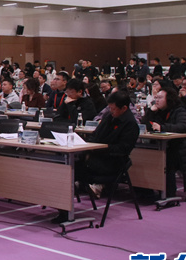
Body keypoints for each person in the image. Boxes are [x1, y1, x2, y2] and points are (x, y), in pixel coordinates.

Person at [51, 91, 139, 224]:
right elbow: (95, 136)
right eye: (110, 108)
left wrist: (98, 149)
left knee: (69, 171)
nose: (110, 111)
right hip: (94, 157)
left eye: (113, 109)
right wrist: (87, 146)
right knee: (63, 168)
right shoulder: (109, 117)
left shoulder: (131, 125)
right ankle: (63, 209)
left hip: (111, 164)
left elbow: (122, 150)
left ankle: (65, 212)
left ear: (124, 108)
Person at [142, 87, 186, 198]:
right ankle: (145, 190)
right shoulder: (158, 111)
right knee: (144, 157)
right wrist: (150, 112)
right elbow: (144, 125)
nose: (157, 100)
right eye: (156, 98)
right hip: (162, 146)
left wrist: (163, 127)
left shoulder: (179, 110)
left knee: (166, 160)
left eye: (160, 98)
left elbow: (184, 126)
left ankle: (168, 193)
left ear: (169, 99)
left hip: (181, 149)